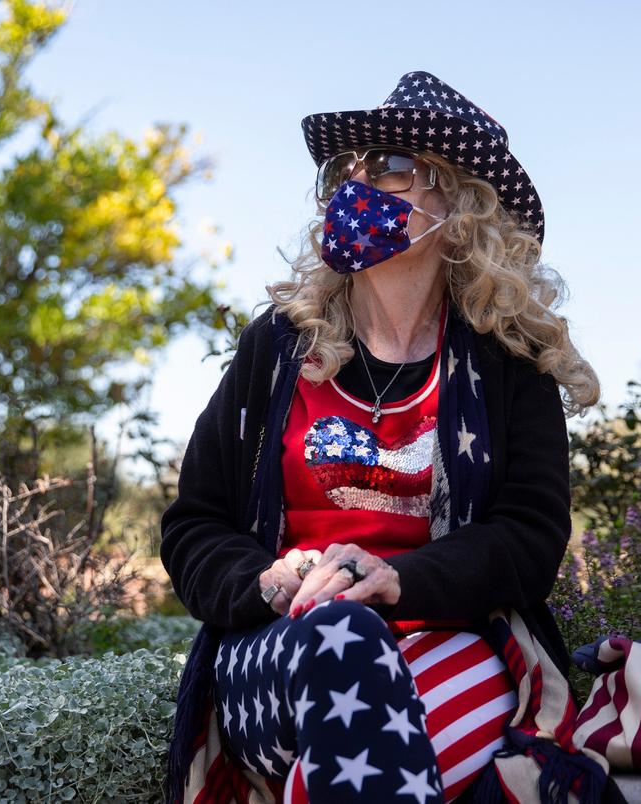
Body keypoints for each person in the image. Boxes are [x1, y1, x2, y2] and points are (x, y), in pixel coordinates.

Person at [161, 71, 603, 802]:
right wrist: (266, 582)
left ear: (458, 209)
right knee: (345, 644)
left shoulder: (507, 361)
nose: (357, 181)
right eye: (347, 168)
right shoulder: (275, 348)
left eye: (391, 166)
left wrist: (397, 581)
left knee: (345, 761)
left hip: (451, 637)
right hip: (282, 651)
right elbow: (192, 525)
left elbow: (530, 537)